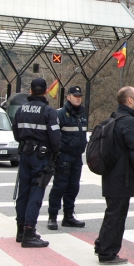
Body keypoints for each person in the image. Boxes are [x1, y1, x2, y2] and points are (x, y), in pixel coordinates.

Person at [95, 87, 134, 265]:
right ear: (130, 100)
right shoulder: (129, 122)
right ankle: (107, 253)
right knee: (117, 215)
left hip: (110, 175)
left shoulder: (113, 118)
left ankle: (101, 244)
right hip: (122, 178)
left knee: (111, 213)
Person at [12, 78, 61, 248]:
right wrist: (55, 155)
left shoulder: (20, 110)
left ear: (31, 91)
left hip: (25, 154)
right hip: (40, 156)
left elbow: (16, 135)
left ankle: (20, 230)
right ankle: (29, 232)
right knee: (36, 193)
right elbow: (56, 139)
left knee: (23, 192)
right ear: (46, 91)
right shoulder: (49, 112)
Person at [47, 85, 88, 230]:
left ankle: (68, 216)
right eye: (75, 96)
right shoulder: (60, 114)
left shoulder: (82, 114)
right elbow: (55, 136)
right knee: (59, 186)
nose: (78, 98)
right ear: (68, 97)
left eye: (79, 96)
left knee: (73, 187)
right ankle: (52, 217)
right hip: (64, 156)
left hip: (77, 157)